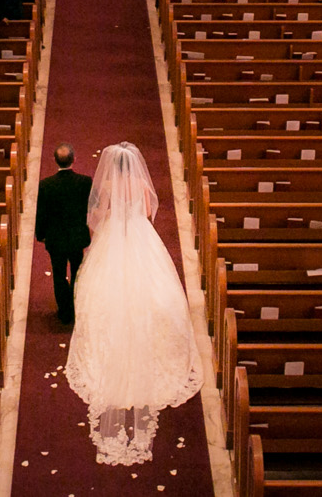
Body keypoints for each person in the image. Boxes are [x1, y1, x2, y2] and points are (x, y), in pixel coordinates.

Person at [62, 142, 203, 465]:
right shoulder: (140, 184)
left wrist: (104, 227)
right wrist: (136, 219)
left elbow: (97, 216)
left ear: (113, 167)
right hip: (140, 235)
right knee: (152, 287)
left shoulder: (109, 184)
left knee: (103, 289)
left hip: (116, 236)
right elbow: (150, 209)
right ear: (134, 167)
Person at [36, 142, 93, 327]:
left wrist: (40, 234)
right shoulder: (85, 182)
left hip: (56, 238)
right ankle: (76, 306)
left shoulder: (46, 185)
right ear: (74, 159)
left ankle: (64, 312)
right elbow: (94, 204)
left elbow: (41, 214)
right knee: (78, 272)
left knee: (59, 275)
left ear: (55, 161)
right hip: (77, 236)